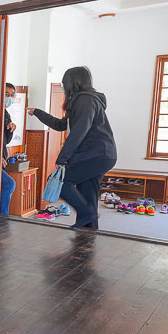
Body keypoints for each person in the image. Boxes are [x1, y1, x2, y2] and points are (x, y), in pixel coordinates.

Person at [28, 66, 117, 230]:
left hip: (96, 154)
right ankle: (89, 230)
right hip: (101, 154)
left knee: (60, 183)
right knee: (88, 191)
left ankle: (88, 214)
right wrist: (38, 113)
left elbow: (78, 132)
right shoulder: (83, 101)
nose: (63, 87)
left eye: (64, 84)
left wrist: (62, 158)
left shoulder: (85, 101)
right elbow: (61, 125)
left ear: (72, 83)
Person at [0, 82, 17, 215]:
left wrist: (11, 128)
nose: (9, 98)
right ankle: (2, 217)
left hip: (2, 157)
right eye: (6, 94)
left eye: (12, 95)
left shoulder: (5, 114)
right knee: (9, 184)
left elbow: (6, 140)